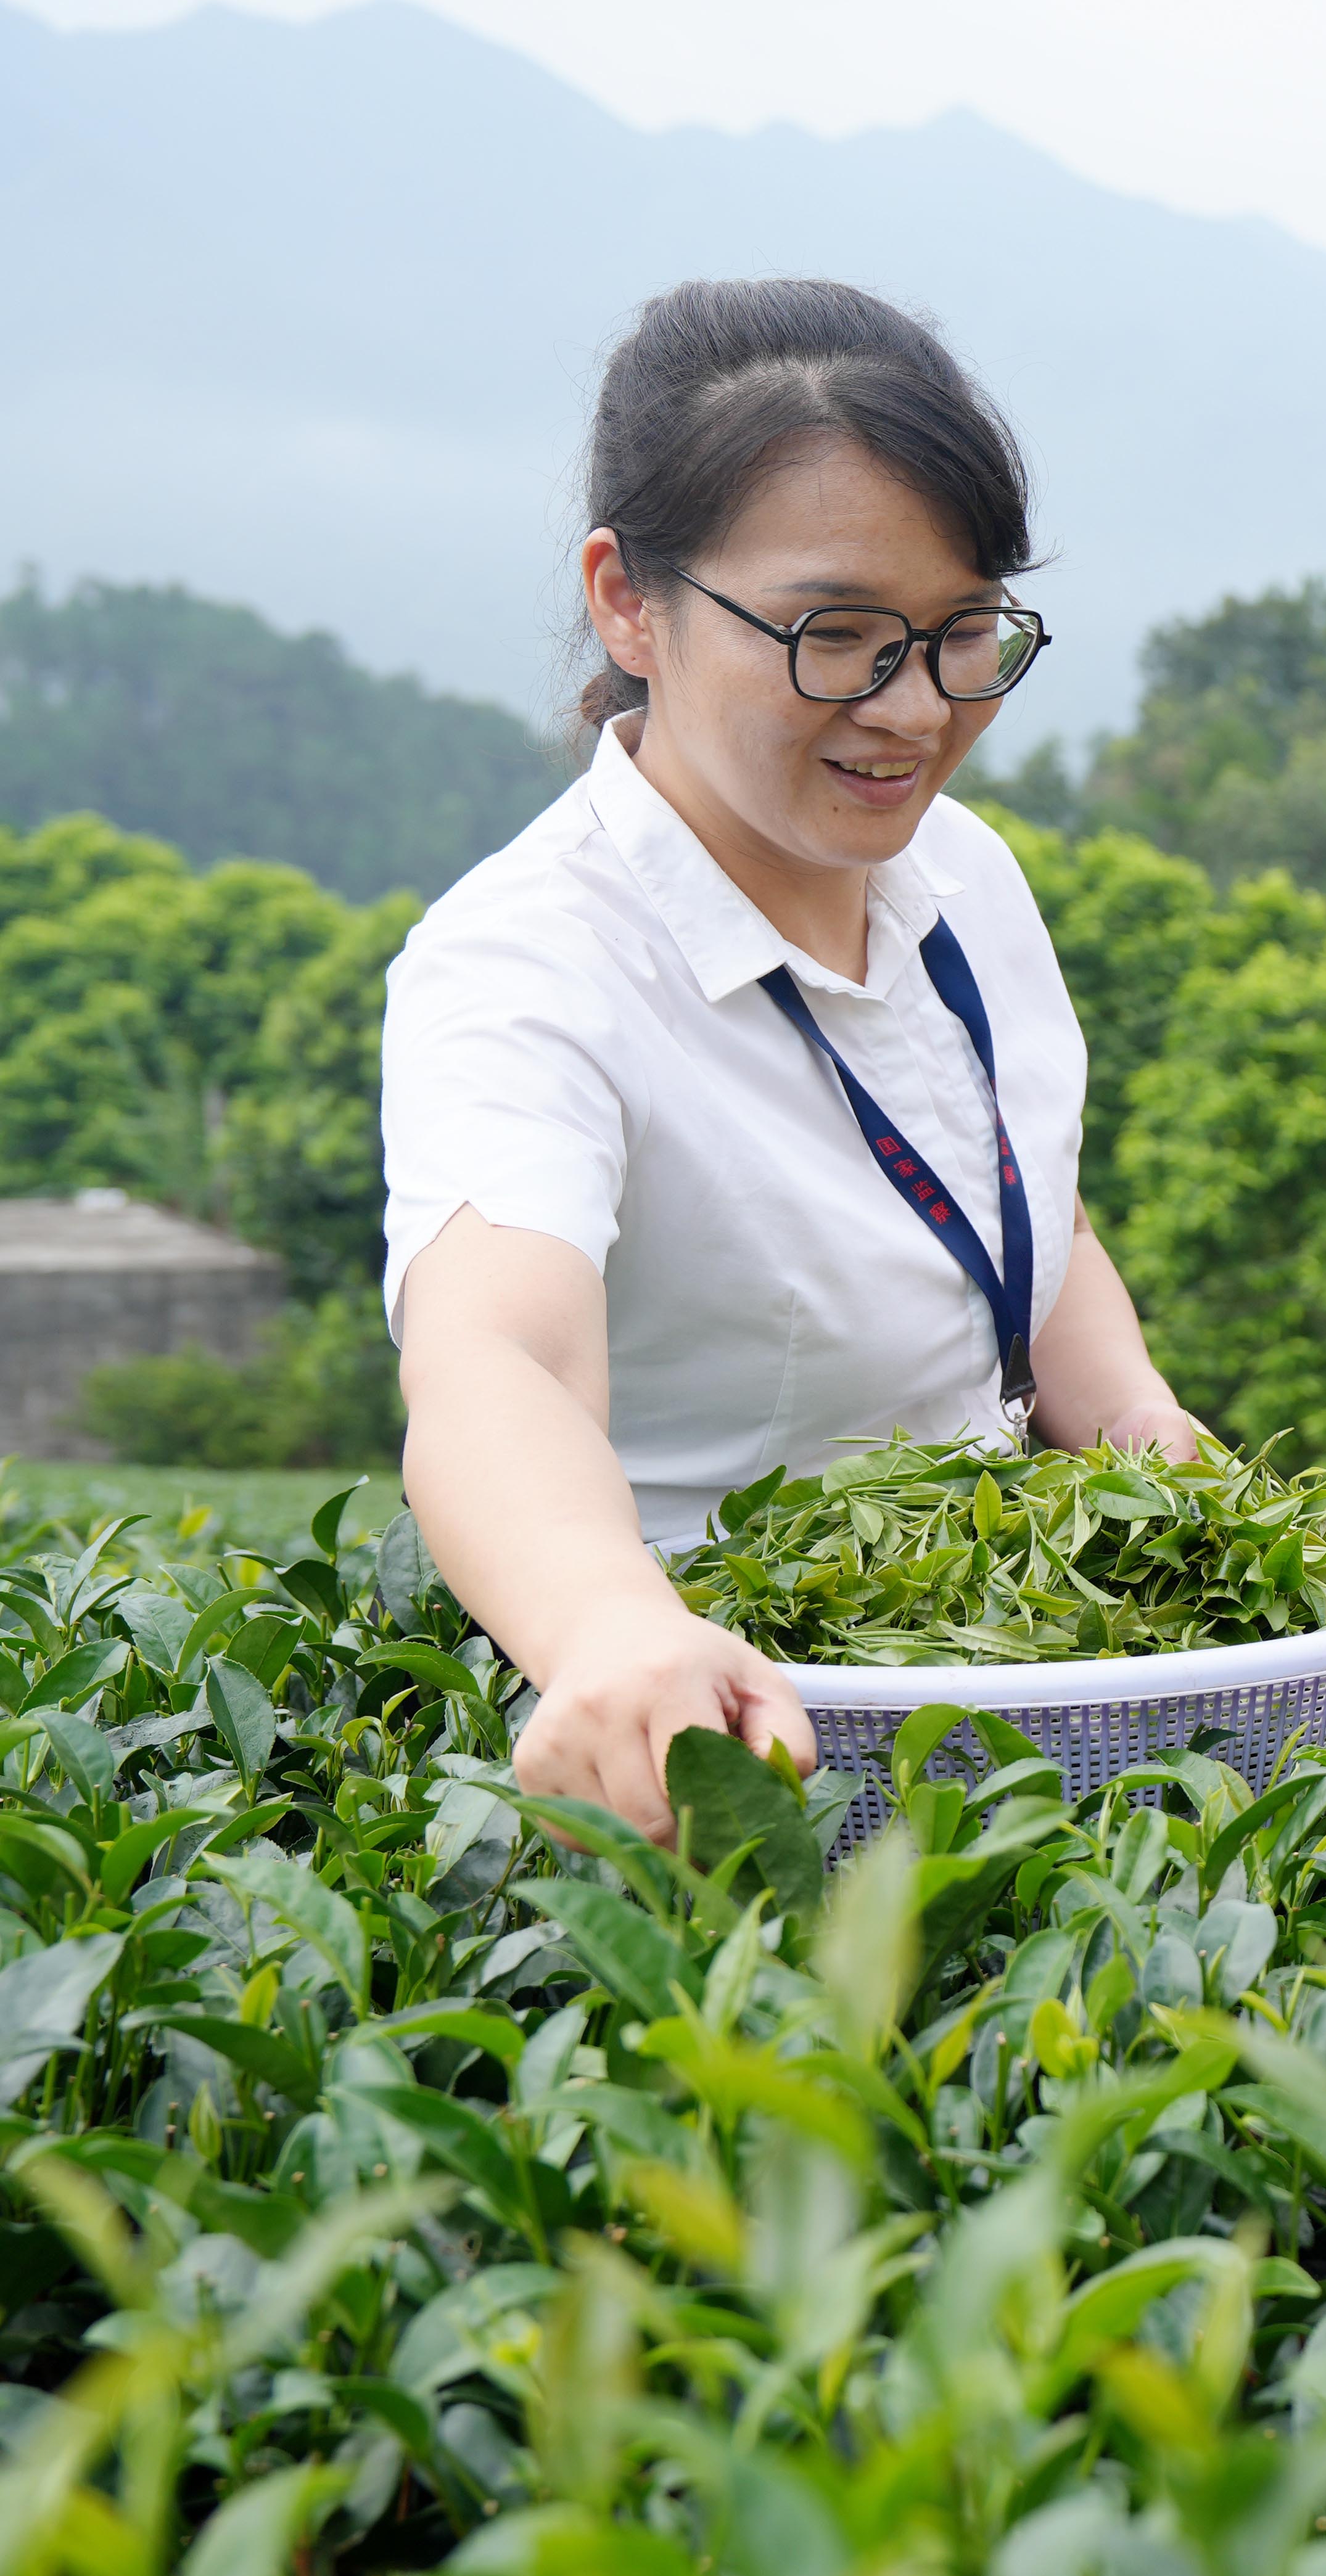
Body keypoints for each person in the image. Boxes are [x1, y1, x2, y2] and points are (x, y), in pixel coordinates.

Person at [382, 279, 1201, 1845]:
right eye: (837, 639)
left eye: (965, 636)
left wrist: (1172, 1467)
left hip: (1025, 1697)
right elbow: (498, 1357)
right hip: (733, 1747)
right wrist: (607, 1624)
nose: (913, 711)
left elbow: (1028, 1219)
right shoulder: (522, 964)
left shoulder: (968, 878)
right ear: (631, 601)